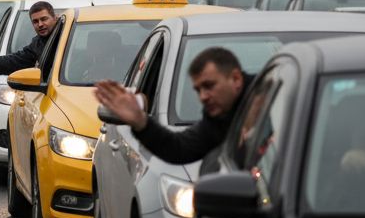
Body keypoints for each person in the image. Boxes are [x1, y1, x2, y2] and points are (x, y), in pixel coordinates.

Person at [93, 46, 252, 173]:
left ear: (236, 79)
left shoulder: (263, 102)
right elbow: (179, 149)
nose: (203, 96)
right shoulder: (218, 119)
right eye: (198, 90)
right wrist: (140, 121)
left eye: (209, 86)